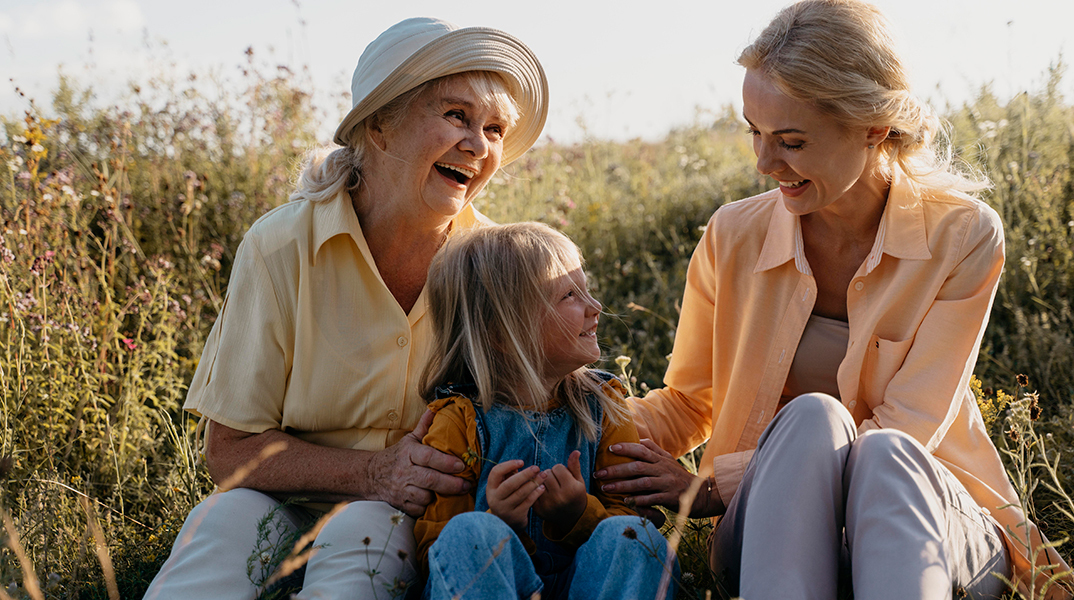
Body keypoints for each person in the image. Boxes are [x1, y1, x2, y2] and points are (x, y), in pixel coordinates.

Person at [594, 1, 1073, 599]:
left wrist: (715, 485)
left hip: (926, 515)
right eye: (755, 133)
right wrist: (575, 427)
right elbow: (690, 403)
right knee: (815, 420)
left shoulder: (963, 236)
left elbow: (911, 423)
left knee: (886, 455)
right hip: (774, 528)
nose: (765, 163)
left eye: (790, 141)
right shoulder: (732, 236)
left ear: (875, 127)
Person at [144, 17, 549, 600]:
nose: (479, 146)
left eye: (494, 128)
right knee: (222, 527)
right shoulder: (282, 245)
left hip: (415, 522)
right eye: (456, 116)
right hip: (276, 501)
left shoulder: (494, 266)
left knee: (364, 532)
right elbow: (229, 451)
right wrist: (372, 474)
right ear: (380, 126)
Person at [414, 222, 676, 600]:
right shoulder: (458, 420)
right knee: (470, 534)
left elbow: (637, 518)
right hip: (500, 587)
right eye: (570, 294)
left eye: (588, 290)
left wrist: (579, 514)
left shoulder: (604, 405)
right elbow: (433, 555)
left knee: (633, 538)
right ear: (501, 334)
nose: (595, 308)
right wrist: (497, 522)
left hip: (586, 587)